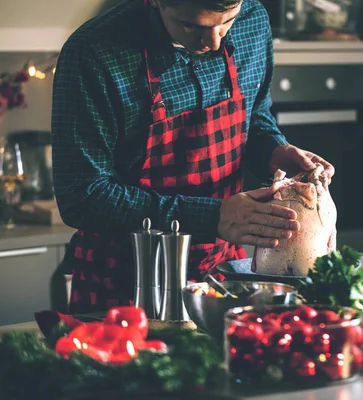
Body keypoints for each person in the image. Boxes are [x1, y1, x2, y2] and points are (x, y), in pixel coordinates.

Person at [51, 0, 334, 314]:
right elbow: (81, 196)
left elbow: (254, 115)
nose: (215, 42)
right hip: (126, 284)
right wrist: (212, 217)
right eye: (193, 26)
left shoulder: (252, 21)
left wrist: (273, 150)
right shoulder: (94, 53)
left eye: (227, 21)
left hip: (225, 278)